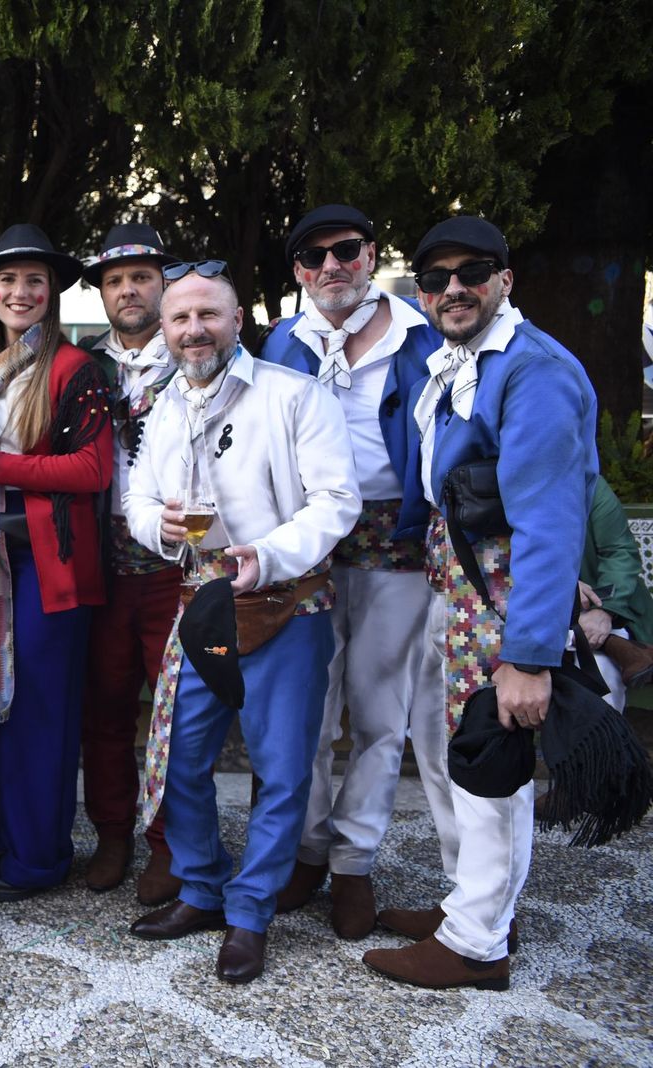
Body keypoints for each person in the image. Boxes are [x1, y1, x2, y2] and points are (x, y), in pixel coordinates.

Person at [365, 217, 597, 990]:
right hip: (456, 581)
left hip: (501, 596)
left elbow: (549, 518)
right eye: (435, 278)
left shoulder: (533, 370)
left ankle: (476, 945)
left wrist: (528, 655)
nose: (453, 288)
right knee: (449, 753)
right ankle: (476, 906)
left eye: (473, 271)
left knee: (490, 764)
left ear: (506, 278)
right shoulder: (457, 362)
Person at [125, 260, 359, 984]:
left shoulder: (295, 396)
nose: (194, 330)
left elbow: (336, 500)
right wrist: (160, 529)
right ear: (164, 330)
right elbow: (136, 498)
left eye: (209, 315)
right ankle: (202, 887)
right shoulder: (163, 405)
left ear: (236, 321)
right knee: (179, 761)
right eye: (180, 318)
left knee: (282, 772)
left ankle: (251, 912)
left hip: (289, 600)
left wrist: (271, 552)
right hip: (202, 601)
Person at [258, 204, 443, 939]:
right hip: (306, 543)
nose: (330, 267)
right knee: (306, 708)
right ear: (299, 273)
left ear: (370, 253)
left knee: (377, 714)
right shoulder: (282, 341)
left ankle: (354, 861)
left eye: (344, 252)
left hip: (394, 541)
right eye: (312, 258)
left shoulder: (420, 336)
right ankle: (305, 850)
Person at [0, 223, 113, 903]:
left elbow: (93, 467)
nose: (20, 292)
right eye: (9, 280)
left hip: (49, 561)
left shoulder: (72, 369)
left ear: (52, 293)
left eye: (34, 282)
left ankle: (40, 857)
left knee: (39, 713)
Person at [75, 223, 182, 901]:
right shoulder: (84, 366)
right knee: (104, 708)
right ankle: (112, 833)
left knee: (177, 711)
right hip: (101, 564)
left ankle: (170, 842)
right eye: (115, 281)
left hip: (176, 563)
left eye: (140, 277)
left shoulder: (196, 351)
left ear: (162, 283)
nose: (129, 290)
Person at [574, 476, 653, 711]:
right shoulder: (494, 486)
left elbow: (619, 552)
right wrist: (561, 585)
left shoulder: (589, 485)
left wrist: (604, 610)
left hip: (601, 610)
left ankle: (604, 747)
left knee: (601, 673)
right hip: (531, 617)